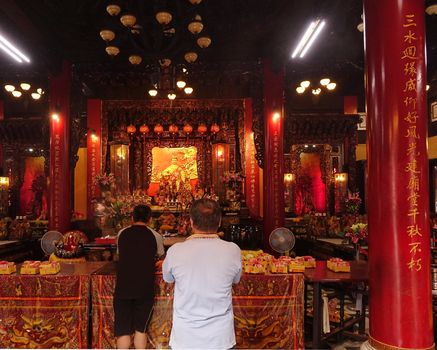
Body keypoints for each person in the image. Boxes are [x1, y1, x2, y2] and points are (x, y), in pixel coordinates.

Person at [163, 198, 242, 350]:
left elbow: (168, 279)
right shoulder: (233, 250)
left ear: (191, 222)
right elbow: (236, 280)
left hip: (185, 337)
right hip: (220, 337)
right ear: (219, 222)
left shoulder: (175, 251)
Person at [113, 205, 157, 349]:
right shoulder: (155, 236)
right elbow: (158, 256)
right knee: (140, 328)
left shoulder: (122, 234)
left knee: (123, 329)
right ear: (149, 219)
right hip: (144, 288)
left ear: (132, 218)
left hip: (124, 286)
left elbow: (120, 254)